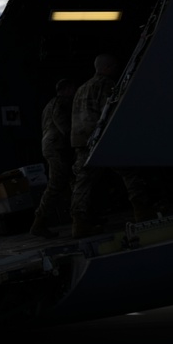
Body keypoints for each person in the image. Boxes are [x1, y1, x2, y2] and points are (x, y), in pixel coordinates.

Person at [69, 54, 150, 238]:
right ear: (106, 68)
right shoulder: (106, 85)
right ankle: (142, 213)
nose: (115, 69)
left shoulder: (81, 89)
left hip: (81, 142)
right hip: (101, 139)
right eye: (113, 66)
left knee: (82, 184)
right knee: (130, 173)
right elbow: (112, 111)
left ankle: (79, 224)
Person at [29, 78, 76, 238]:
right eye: (72, 89)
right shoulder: (61, 103)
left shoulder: (48, 105)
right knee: (56, 184)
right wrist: (75, 140)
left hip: (51, 146)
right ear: (67, 89)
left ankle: (81, 217)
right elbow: (63, 125)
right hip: (58, 147)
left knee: (72, 182)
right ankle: (39, 223)